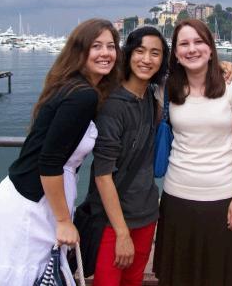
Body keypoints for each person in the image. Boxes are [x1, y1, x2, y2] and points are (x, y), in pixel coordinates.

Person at [0, 19, 122, 286]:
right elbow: (50, 162)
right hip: (34, 203)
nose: (106, 53)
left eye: (111, 46)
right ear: (80, 51)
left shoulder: (72, 84)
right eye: (96, 46)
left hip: (29, 194)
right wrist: (64, 221)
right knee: (35, 276)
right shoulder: (82, 95)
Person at [153, 19, 232, 286]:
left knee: (221, 277)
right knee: (178, 277)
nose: (192, 49)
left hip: (223, 198)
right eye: (184, 44)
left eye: (199, 42)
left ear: (211, 48)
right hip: (177, 198)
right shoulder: (166, 89)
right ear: (175, 53)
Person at [87, 26, 169, 286]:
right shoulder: (113, 106)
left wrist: (223, 65)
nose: (147, 59)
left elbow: (193, 69)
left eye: (155, 53)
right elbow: (102, 174)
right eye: (140, 51)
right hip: (114, 221)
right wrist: (122, 233)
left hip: (146, 213)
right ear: (128, 54)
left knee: (133, 281)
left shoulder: (150, 97)